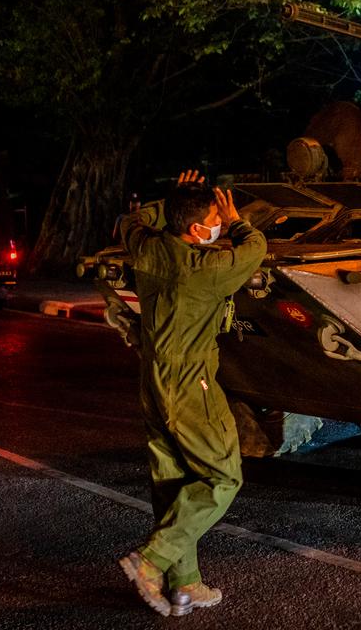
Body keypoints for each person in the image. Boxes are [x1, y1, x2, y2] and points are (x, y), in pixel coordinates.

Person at [117, 170, 266, 617]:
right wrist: (238, 221)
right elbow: (255, 249)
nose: (220, 223)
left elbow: (130, 223)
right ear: (199, 229)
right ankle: (152, 560)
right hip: (191, 384)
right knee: (223, 477)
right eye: (215, 218)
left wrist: (172, 198)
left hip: (153, 379)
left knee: (173, 481)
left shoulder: (149, 248)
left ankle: (184, 585)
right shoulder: (205, 268)